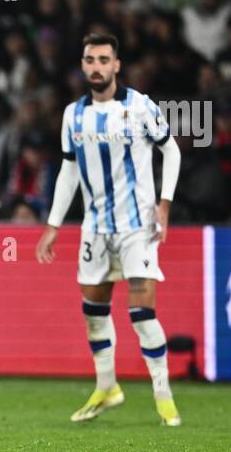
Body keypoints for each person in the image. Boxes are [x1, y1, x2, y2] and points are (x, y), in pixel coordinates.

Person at [36, 32, 183, 426]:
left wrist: (164, 206)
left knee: (141, 312)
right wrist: (53, 224)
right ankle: (107, 387)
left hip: (137, 225)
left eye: (104, 59)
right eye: (90, 60)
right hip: (95, 229)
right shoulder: (73, 115)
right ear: (82, 66)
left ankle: (163, 396)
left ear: (116, 65)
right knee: (94, 311)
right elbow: (69, 170)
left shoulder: (140, 107)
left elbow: (171, 150)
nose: (97, 67)